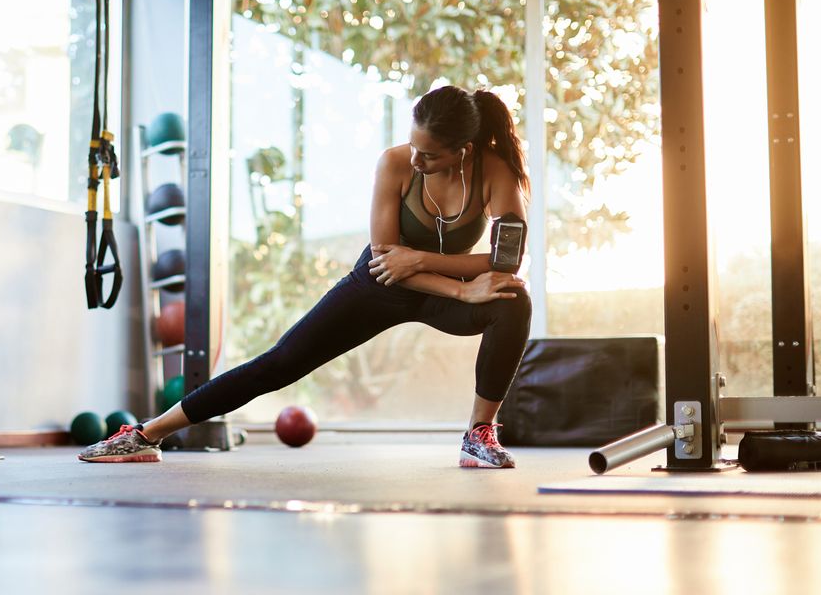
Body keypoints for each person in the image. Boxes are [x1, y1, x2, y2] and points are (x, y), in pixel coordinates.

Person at [79, 85, 532, 468]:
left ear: (463, 151)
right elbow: (385, 258)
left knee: (514, 301)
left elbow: (505, 260)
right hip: (378, 285)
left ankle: (478, 435)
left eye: (429, 155)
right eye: (414, 147)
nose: (416, 160)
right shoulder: (394, 165)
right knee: (280, 363)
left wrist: (422, 263)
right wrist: (459, 286)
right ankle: (146, 434)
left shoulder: (496, 173)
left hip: (427, 284)